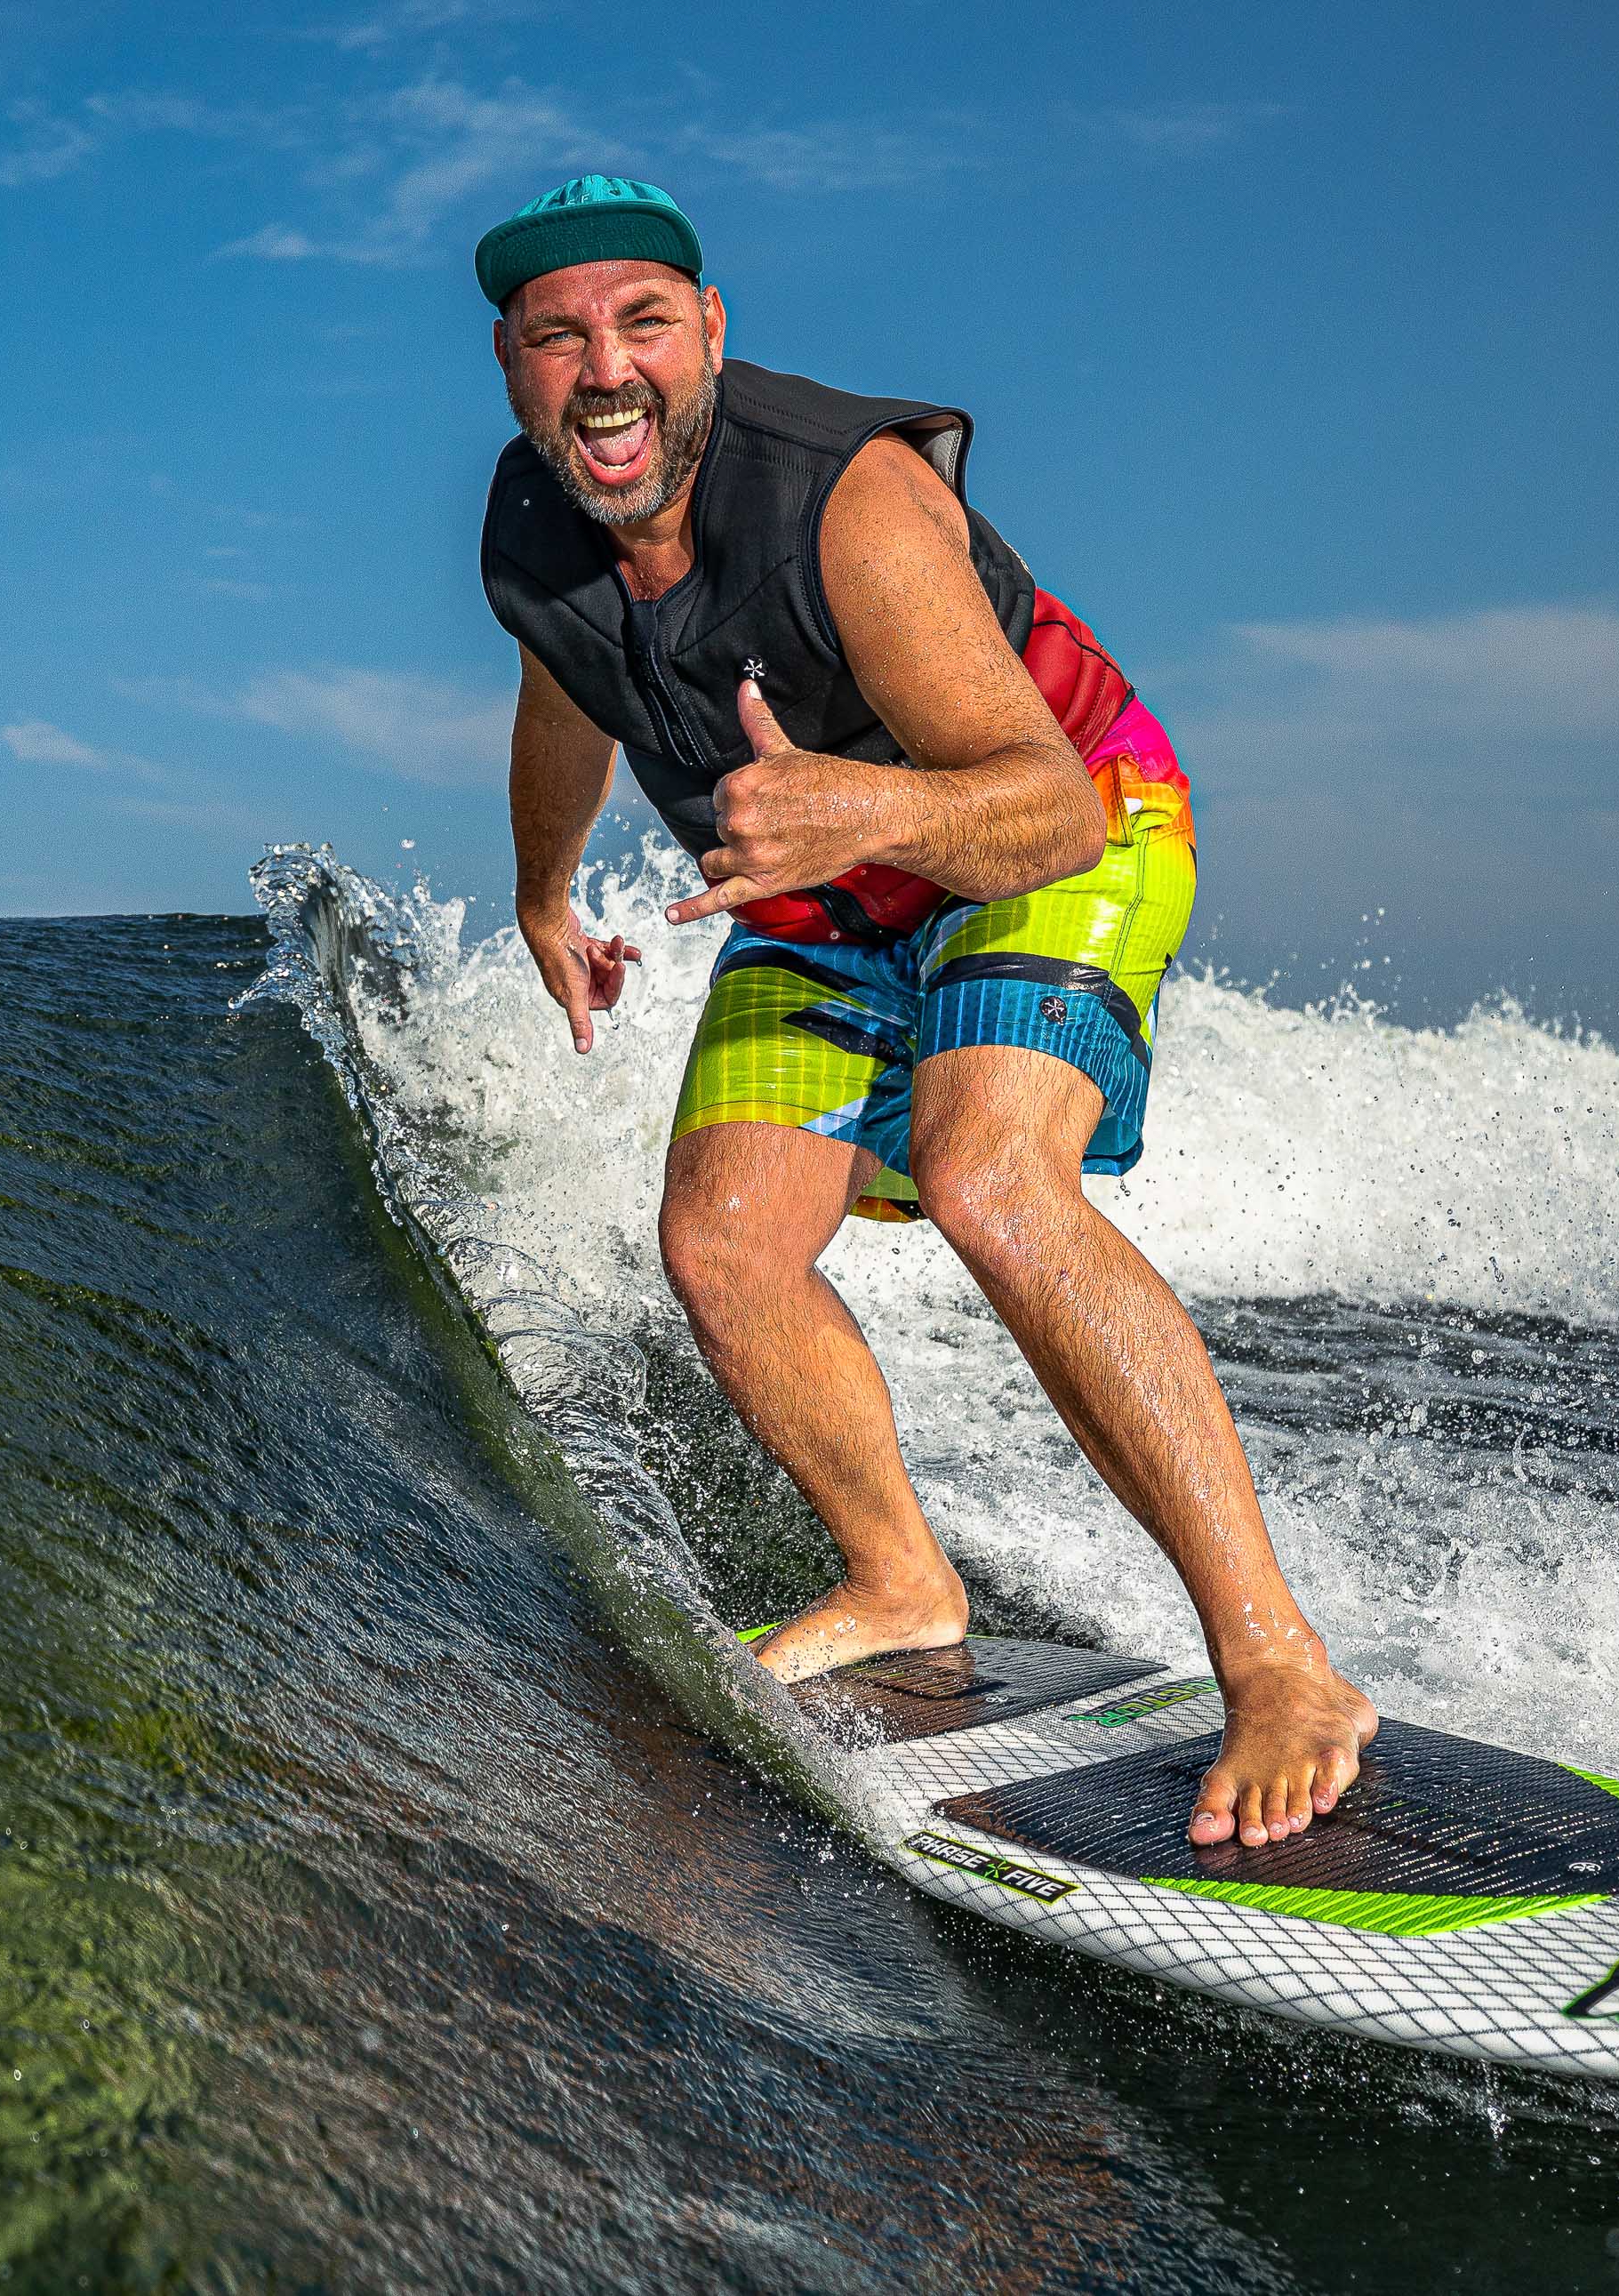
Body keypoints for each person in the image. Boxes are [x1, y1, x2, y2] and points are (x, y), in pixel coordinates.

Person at [477, 176, 1375, 1850]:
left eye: (643, 323)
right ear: (516, 371)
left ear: (710, 336)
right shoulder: (533, 536)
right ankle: (899, 1577)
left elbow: (1045, 810)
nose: (606, 368)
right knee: (723, 1239)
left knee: (989, 1178)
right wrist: (544, 892)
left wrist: (864, 813)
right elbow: (563, 690)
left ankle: (1277, 1661)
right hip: (827, 887)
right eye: (559, 337)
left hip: (1059, 823)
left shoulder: (850, 504)